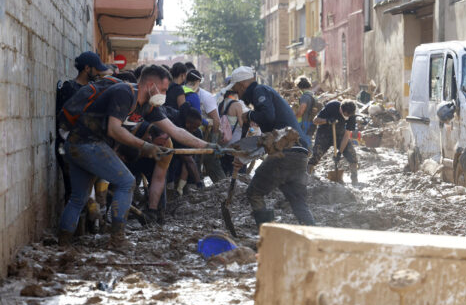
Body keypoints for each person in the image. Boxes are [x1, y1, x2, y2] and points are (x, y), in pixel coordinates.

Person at [57, 65, 218, 247]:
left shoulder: (148, 106)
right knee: (126, 182)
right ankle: (117, 238)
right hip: (86, 143)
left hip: (81, 144)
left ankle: (63, 245)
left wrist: (208, 146)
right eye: (163, 90)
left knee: (79, 198)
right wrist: (145, 146)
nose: (165, 95)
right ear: (151, 85)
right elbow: (114, 128)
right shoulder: (124, 93)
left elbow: (175, 130)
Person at [224, 66, 315, 227]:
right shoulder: (265, 96)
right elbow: (268, 140)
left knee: (254, 193)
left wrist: (249, 115)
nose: (236, 93)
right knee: (298, 202)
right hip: (300, 155)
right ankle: (315, 241)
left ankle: (267, 238)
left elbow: (267, 117)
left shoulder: (260, 90)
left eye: (236, 88)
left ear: (244, 84)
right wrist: (244, 156)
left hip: (286, 153)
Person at [55, 51, 111, 203]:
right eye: (96, 69)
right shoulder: (70, 88)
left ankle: (88, 224)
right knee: (73, 191)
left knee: (87, 190)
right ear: (87, 68)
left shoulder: (93, 89)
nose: (99, 72)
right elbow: (65, 122)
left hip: (87, 146)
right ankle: (74, 225)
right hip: (68, 145)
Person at [309, 100, 360, 185]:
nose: (346, 117)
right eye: (345, 114)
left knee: (352, 156)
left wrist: (340, 152)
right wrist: (328, 120)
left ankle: (355, 180)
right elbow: (315, 120)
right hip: (324, 133)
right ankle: (308, 175)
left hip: (340, 134)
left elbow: (347, 135)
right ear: (340, 109)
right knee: (316, 154)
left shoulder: (352, 115)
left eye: (349, 115)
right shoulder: (332, 106)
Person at [295, 76, 317, 141]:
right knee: (308, 141)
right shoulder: (313, 96)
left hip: (304, 123)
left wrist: (293, 118)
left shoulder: (305, 97)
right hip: (312, 122)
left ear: (300, 86)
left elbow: (301, 111)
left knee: (304, 142)